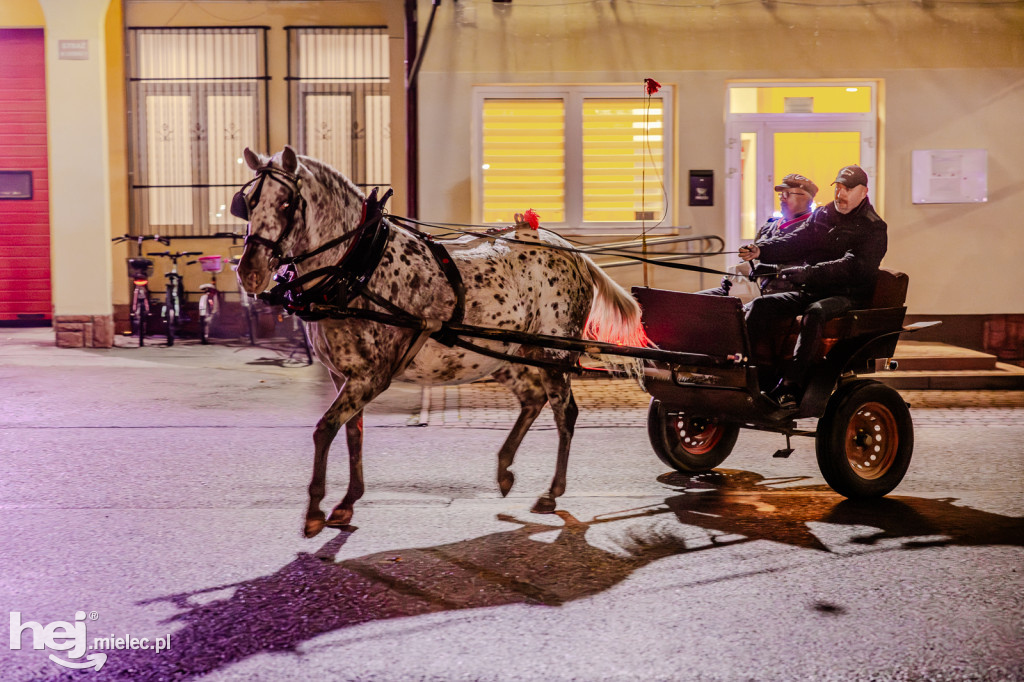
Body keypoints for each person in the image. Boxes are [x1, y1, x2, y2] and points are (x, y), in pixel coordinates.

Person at [738, 164, 887, 409]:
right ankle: (750, 374)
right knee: (761, 305)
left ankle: (791, 387)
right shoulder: (825, 214)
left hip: (848, 294)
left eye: (847, 189)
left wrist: (808, 272)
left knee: (815, 312)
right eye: (838, 188)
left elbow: (853, 267)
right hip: (814, 288)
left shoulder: (873, 227)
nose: (840, 194)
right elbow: (798, 240)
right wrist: (761, 250)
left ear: (864, 192)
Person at [701, 173, 818, 297]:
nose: (782, 198)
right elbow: (748, 260)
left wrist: (773, 270)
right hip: (750, 288)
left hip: (781, 293)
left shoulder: (814, 227)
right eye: (781, 194)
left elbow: (808, 267)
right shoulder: (770, 225)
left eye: (788, 194)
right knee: (697, 301)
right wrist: (731, 277)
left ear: (807, 198)